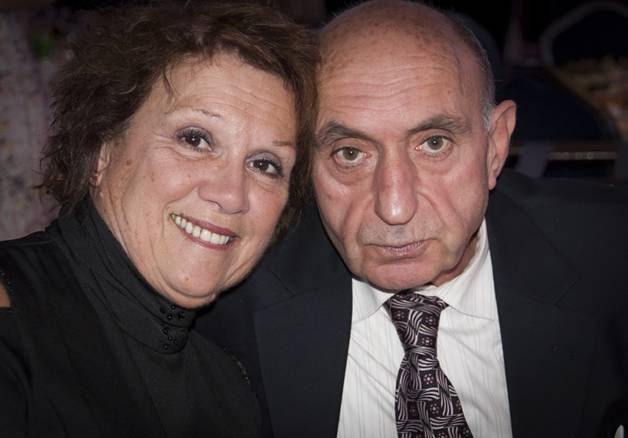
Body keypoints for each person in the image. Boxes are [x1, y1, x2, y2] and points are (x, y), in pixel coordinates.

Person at [195, 1, 628, 437]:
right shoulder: (226, 293)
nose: (395, 208)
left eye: (434, 144)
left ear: (495, 147)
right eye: (350, 153)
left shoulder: (610, 254)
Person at [0, 2, 317, 437]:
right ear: (101, 150)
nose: (231, 195)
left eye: (265, 165)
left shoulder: (232, 386)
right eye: (196, 139)